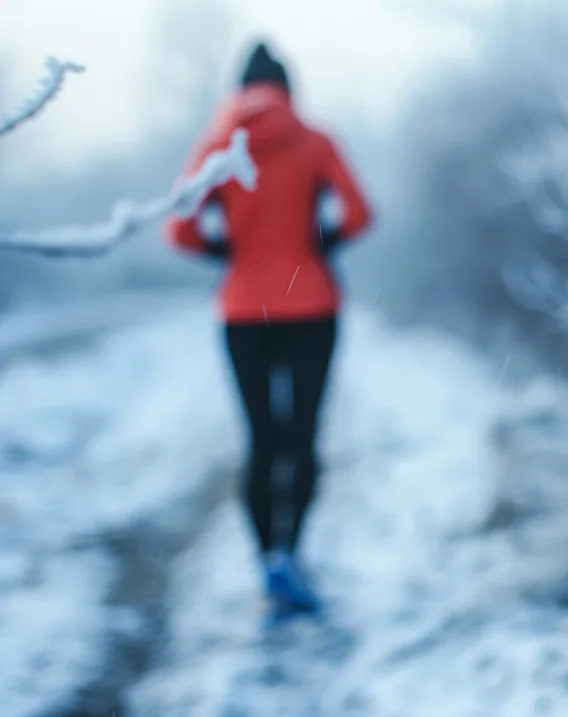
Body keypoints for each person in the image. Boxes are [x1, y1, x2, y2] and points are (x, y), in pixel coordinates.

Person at [166, 41, 373, 626]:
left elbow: (179, 228)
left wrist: (225, 249)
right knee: (302, 436)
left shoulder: (218, 146)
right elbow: (359, 213)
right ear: (288, 87)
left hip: (242, 309)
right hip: (311, 303)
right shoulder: (316, 140)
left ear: (239, 88)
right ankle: (291, 554)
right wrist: (320, 245)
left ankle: (267, 564)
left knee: (260, 439)